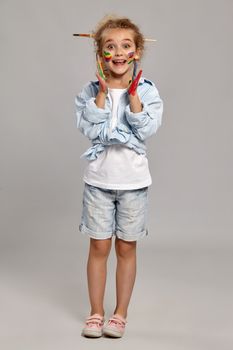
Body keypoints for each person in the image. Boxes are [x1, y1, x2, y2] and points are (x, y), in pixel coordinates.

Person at [75, 15, 163, 338]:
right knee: (98, 247)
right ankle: (96, 312)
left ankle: (120, 314)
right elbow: (87, 127)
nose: (119, 52)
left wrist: (134, 98)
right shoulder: (88, 91)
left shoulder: (148, 91)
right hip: (98, 182)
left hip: (133, 184)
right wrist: (101, 93)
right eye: (110, 46)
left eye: (126, 45)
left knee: (126, 248)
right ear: (101, 54)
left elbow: (148, 129)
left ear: (137, 51)